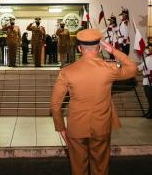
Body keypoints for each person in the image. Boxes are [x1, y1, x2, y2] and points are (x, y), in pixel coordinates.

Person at [50, 29, 137, 175]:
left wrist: (61, 128)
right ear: (99, 47)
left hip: (76, 127)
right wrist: (113, 50)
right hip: (101, 126)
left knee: (78, 168)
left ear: (79, 48)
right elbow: (133, 69)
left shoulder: (67, 71)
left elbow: (55, 105)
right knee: (100, 167)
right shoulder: (109, 69)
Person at [138, 40, 152, 119]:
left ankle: (151, 113)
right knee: (149, 97)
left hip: (150, 80)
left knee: (151, 98)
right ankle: (149, 112)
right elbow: (140, 67)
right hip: (146, 81)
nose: (146, 50)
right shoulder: (146, 58)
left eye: (148, 48)